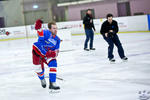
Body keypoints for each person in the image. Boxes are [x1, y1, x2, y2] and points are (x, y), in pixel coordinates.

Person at [32, 19, 61, 90]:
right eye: (54, 28)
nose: (56, 30)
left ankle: (52, 83)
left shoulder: (57, 40)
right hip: (37, 53)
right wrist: (39, 28)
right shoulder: (46, 33)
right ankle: (42, 79)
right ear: (50, 29)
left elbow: (56, 52)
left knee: (53, 63)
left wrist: (53, 53)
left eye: (56, 28)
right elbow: (40, 34)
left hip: (47, 55)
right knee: (39, 71)